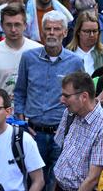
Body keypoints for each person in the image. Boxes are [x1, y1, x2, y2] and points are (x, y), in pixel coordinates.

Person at [14, 11, 83, 189]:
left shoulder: (75, 62)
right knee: (32, 182)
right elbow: (20, 92)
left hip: (62, 135)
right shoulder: (28, 58)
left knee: (55, 183)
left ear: (65, 32)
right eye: (48, 29)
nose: (51, 32)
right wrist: (22, 124)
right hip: (33, 132)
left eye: (56, 29)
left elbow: (81, 99)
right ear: (42, 32)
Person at [53, 71, 103, 191]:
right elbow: (61, 154)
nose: (61, 100)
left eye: (66, 96)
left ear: (84, 97)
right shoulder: (70, 112)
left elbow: (93, 179)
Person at [0, 3, 41, 97]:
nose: (13, 29)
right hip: (2, 109)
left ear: (25, 25)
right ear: (1, 25)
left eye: (17, 24)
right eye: (9, 25)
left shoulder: (38, 50)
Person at [65, 11, 103, 75]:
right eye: (87, 31)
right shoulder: (67, 53)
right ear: (78, 32)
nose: (92, 35)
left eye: (95, 31)